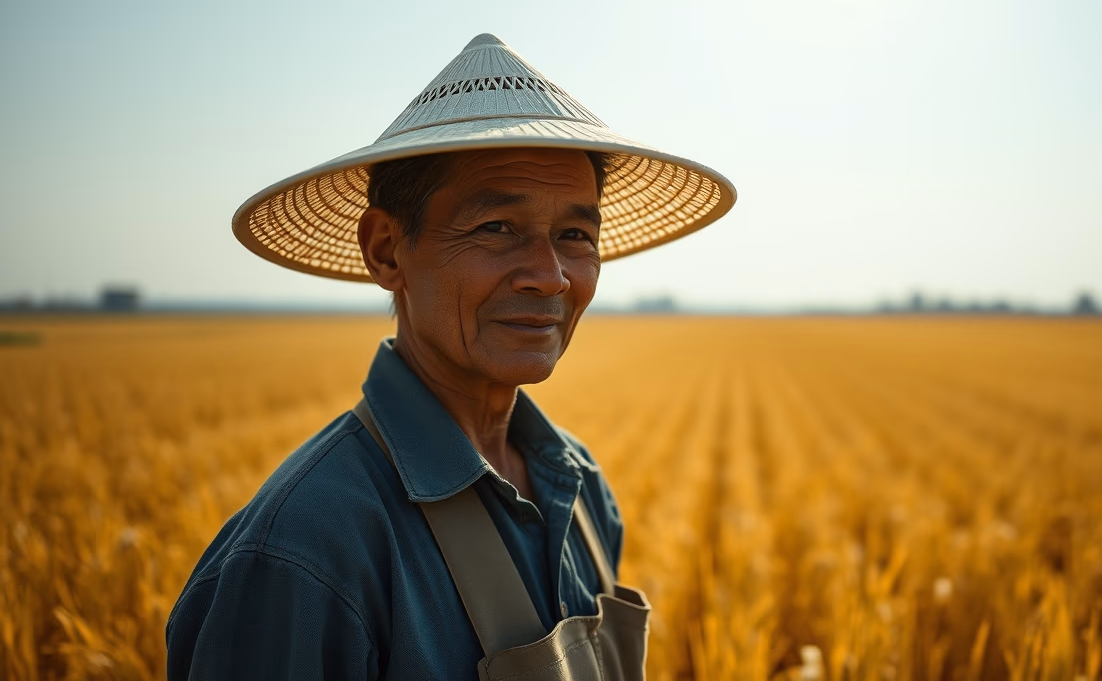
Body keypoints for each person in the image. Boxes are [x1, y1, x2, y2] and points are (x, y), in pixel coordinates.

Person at [165, 33, 735, 679]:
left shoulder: (582, 491)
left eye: (575, 235)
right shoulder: (303, 555)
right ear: (386, 250)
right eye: (497, 228)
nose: (550, 277)